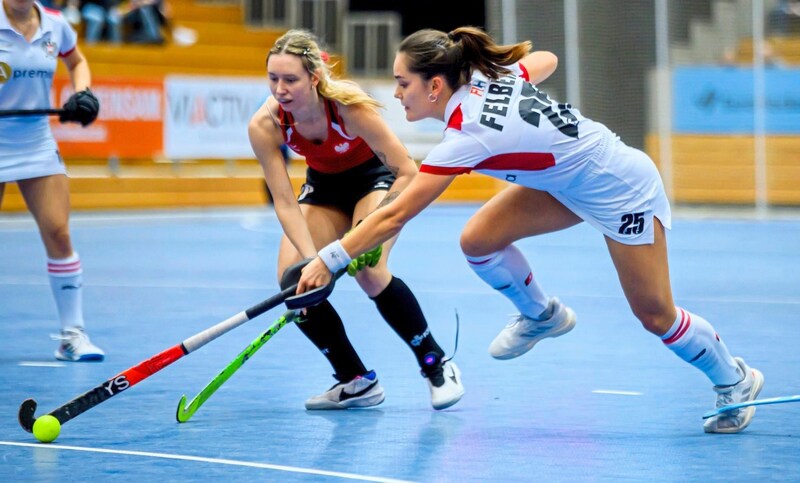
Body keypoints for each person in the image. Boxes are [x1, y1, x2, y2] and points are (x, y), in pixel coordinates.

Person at [297, 26, 764, 433]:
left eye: (403, 83)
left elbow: (395, 214)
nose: (396, 94)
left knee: (655, 315)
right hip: (565, 184)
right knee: (478, 240)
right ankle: (543, 315)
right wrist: (511, 73)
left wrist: (329, 259)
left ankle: (734, 379)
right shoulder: (487, 78)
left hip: (620, 189)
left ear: (435, 86)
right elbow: (547, 60)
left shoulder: (467, 135)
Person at [248, 29, 464, 411]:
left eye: (291, 79)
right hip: (323, 191)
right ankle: (355, 380)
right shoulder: (265, 125)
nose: (280, 89)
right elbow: (283, 201)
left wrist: (375, 230)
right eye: (273, 79)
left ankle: (435, 363)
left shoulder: (349, 108)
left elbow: (406, 171)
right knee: (295, 285)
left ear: (314, 77)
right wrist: (310, 260)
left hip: (375, 182)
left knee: (370, 270)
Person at [0, 0, 104, 361]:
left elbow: (76, 61)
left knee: (59, 232)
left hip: (34, 141)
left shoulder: (55, 25)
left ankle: (72, 335)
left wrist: (83, 93)